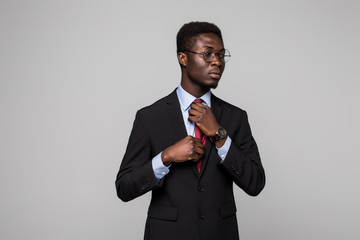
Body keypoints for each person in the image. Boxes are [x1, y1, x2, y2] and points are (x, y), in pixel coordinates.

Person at [115, 21, 265, 240]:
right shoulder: (149, 117)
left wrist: (220, 135)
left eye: (222, 55)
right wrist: (165, 157)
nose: (217, 62)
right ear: (183, 58)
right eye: (208, 54)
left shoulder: (236, 117)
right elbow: (124, 188)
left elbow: (256, 183)